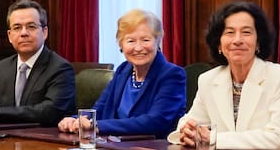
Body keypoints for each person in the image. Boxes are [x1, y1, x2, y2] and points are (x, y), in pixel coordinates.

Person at [167, 1, 280, 150]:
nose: (237, 40)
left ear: (258, 42)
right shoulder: (208, 80)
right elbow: (191, 122)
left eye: (246, 32)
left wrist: (212, 138)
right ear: (219, 44)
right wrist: (187, 131)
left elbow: (277, 138)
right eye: (229, 32)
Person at [58, 9, 186, 138]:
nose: (138, 47)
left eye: (146, 40)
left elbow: (155, 121)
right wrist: (75, 120)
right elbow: (100, 109)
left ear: (158, 41)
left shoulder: (172, 75)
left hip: (153, 147)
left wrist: (96, 126)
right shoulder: (123, 70)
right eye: (131, 41)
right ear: (121, 45)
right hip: (114, 146)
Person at [0, 0, 75, 126]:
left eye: (31, 27)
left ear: (44, 32)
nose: (24, 33)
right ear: (9, 36)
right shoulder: (2, 67)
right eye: (17, 28)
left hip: (42, 137)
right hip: (4, 136)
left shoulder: (60, 68)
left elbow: (50, 112)